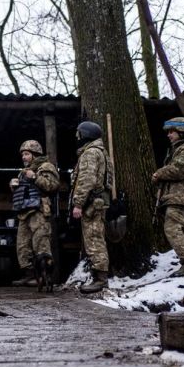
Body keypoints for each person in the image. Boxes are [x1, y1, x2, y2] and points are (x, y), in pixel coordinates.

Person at [152, 117, 184, 277]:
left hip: (181, 196)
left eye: (172, 131)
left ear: (182, 132)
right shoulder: (181, 149)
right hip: (181, 196)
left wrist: (158, 174)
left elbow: (177, 170)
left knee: (172, 227)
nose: (169, 135)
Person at [10, 140, 61, 287]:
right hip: (24, 213)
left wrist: (34, 177)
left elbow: (52, 186)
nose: (24, 157)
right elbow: (25, 191)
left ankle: (45, 278)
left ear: (35, 154)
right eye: (23, 155)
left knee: (41, 244)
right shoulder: (23, 172)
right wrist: (15, 187)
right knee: (22, 246)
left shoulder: (45, 167)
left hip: (38, 211)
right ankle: (29, 276)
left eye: (27, 154)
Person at [70, 121, 111, 294]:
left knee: (94, 240)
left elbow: (87, 180)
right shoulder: (100, 152)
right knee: (95, 238)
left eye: (79, 133)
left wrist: (78, 203)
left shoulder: (90, 153)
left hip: (91, 204)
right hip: (97, 201)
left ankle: (100, 280)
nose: (77, 136)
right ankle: (98, 277)